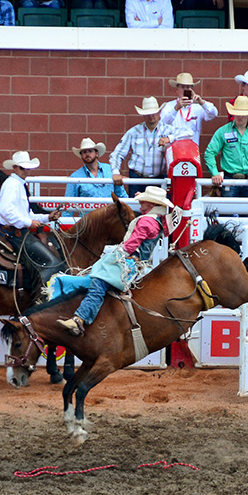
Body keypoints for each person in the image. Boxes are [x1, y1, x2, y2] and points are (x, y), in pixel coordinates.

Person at [57, 186, 176, 336]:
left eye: (143, 201)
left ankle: (80, 319)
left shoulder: (146, 222)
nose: (140, 204)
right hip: (136, 264)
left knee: (98, 284)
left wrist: (117, 254)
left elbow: (132, 244)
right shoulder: (157, 221)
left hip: (127, 262)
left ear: (151, 204)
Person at [205, 96, 248, 199]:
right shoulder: (223, 131)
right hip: (229, 179)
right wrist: (215, 173)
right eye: (237, 113)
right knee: (229, 212)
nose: (240, 117)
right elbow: (209, 153)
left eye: (243, 114)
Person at [111, 96, 176, 187]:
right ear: (143, 115)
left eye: (154, 112)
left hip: (160, 179)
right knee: (135, 201)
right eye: (148, 113)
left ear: (159, 112)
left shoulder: (168, 130)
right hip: (137, 179)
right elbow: (117, 154)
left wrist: (170, 138)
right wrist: (115, 172)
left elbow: (188, 133)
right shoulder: (133, 132)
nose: (151, 116)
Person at [160, 71, 218, 146]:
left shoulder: (198, 107)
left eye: (188, 87)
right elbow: (162, 125)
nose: (185, 90)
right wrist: (176, 109)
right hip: (174, 152)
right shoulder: (169, 106)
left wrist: (202, 102)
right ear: (176, 90)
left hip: (192, 153)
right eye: (182, 87)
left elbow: (214, 114)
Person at [67, 138, 127, 207]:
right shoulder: (75, 177)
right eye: (84, 152)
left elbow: (121, 194)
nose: (87, 154)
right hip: (88, 217)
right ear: (81, 156)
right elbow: (69, 204)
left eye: (90, 151)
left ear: (96, 154)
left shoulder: (110, 170)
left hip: (110, 216)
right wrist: (65, 218)